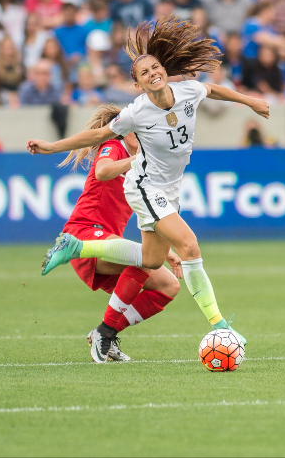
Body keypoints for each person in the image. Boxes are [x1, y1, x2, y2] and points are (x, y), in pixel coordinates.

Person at [27, 17, 270, 350]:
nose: (153, 73)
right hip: (144, 185)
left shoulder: (188, 91)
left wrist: (250, 101)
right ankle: (221, 326)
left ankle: (78, 248)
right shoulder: (136, 112)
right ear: (138, 84)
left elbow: (213, 89)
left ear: (164, 70)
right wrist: (51, 147)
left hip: (169, 188)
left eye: (155, 67)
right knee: (190, 247)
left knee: (151, 260)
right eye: (144, 72)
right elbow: (98, 135)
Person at [40, 105, 182, 362]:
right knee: (144, 260)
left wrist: (166, 251)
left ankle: (107, 332)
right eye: (138, 129)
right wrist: (136, 160)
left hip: (109, 244)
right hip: (83, 235)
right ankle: (104, 333)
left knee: (168, 285)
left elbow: (145, 216)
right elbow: (102, 171)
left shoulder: (141, 168)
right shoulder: (114, 146)